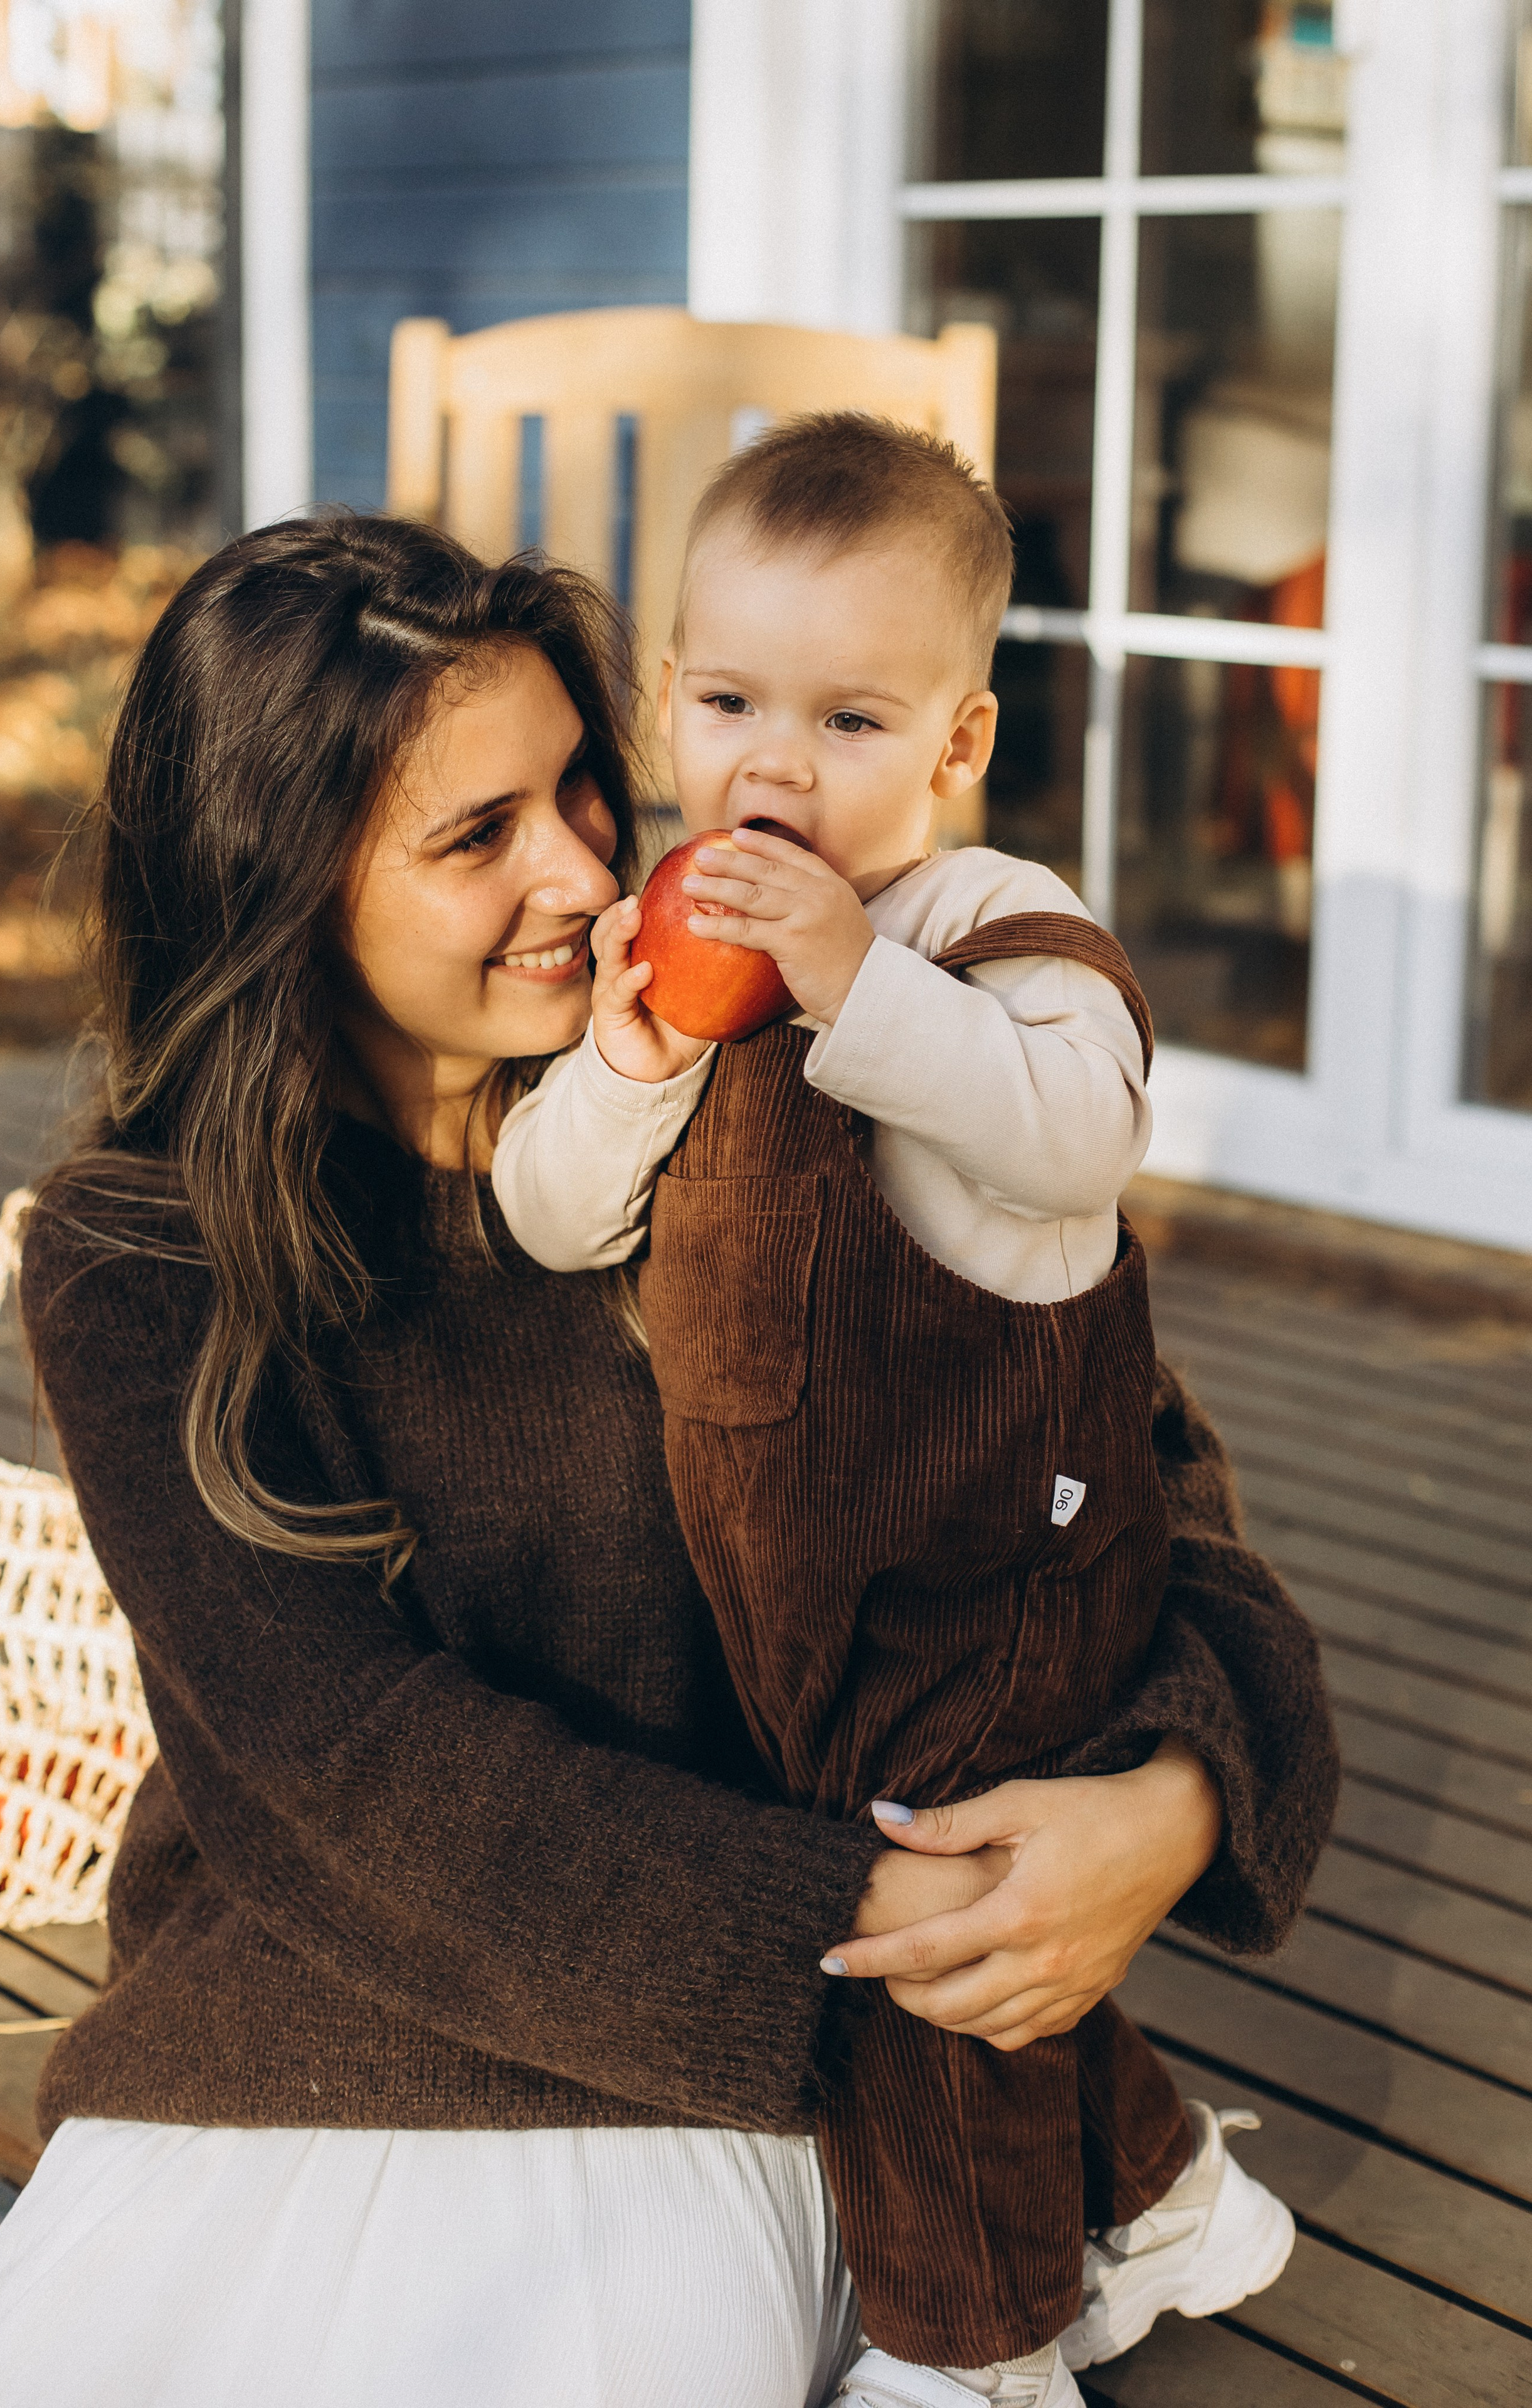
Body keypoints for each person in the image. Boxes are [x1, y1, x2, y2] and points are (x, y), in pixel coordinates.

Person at [0, 513, 1336, 2408]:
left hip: (736, 2074)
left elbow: (1133, 1494)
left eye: (586, 791)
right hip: (315, 2016)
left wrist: (1169, 1802)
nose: (591, 871)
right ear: (282, 891)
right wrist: (873, 1917)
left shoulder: (785, 1083)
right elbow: (343, 1766)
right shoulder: (141, 1250)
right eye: (475, 835)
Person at [490, 418, 1301, 2407]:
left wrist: (856, 981)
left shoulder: (989, 933)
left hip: (993, 1560)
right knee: (950, 1935)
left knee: (917, 1957)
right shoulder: (671, 950)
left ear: (957, 747)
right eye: (730, 699)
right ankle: (1172, 2198)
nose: (773, 766)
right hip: (794, 1572)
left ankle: (974, 2350)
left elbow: (1076, 1134)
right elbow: (548, 1215)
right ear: (670, 697)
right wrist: (626, 1053)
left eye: (849, 719)